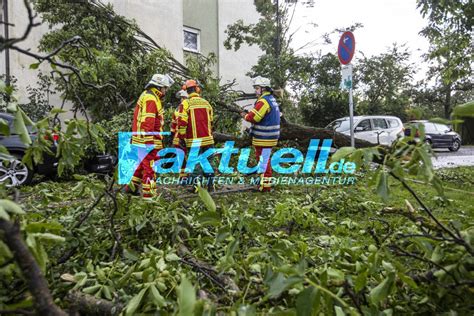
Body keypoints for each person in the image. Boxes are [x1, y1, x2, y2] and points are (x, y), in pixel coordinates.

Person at [125, 73, 174, 198]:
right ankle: (149, 197)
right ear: (158, 87)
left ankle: (131, 188)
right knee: (150, 169)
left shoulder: (149, 96)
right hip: (147, 141)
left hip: (142, 140)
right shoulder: (151, 99)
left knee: (142, 166)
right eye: (165, 88)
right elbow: (148, 122)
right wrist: (149, 144)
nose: (165, 90)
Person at [240, 76, 280, 192]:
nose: (255, 91)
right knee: (265, 160)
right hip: (269, 136)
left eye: (257, 88)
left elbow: (254, 117)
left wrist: (244, 115)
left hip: (264, 137)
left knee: (263, 161)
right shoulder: (271, 99)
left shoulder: (263, 101)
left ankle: (265, 187)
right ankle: (264, 183)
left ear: (264, 89)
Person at [176, 79, 215, 190]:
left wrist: (182, 138)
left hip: (194, 140)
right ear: (197, 89)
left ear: (187, 91)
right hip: (208, 139)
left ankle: (195, 186)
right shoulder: (206, 103)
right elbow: (211, 122)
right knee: (208, 162)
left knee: (196, 163)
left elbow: (182, 123)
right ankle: (210, 185)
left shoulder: (185, 103)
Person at [171, 89, 188, 180]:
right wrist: (172, 133)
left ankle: (189, 175)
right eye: (181, 98)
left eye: (184, 97)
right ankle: (183, 176)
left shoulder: (189, 108)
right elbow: (174, 122)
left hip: (187, 136)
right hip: (178, 137)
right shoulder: (177, 109)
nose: (182, 99)